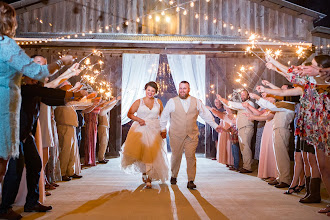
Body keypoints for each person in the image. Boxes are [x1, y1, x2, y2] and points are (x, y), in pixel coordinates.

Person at [0, 2, 74, 189]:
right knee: (2, 165)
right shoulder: (6, 45)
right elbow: (38, 72)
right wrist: (61, 61)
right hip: (3, 109)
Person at [160, 81, 221, 189]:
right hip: (176, 134)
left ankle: (191, 180)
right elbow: (164, 116)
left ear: (189, 89)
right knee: (176, 157)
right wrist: (162, 130)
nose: (182, 90)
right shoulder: (172, 102)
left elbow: (206, 115)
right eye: (180, 88)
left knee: (191, 157)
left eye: (184, 88)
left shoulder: (196, 102)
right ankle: (174, 175)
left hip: (191, 135)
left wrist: (215, 126)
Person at [121, 81, 169, 189]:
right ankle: (144, 171)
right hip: (140, 129)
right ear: (145, 90)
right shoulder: (139, 102)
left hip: (154, 129)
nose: (150, 92)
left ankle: (149, 178)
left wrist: (163, 130)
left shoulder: (158, 102)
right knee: (142, 152)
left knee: (152, 153)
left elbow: (163, 117)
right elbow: (129, 113)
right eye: (148, 90)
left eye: (152, 91)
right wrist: (139, 119)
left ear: (155, 92)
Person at [216, 90, 255, 173]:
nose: (242, 96)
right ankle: (245, 166)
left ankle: (248, 167)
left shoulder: (249, 104)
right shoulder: (242, 105)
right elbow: (231, 106)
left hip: (246, 127)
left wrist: (222, 99)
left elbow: (233, 104)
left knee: (246, 147)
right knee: (243, 148)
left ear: (248, 96)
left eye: (244, 95)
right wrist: (223, 101)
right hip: (241, 128)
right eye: (241, 95)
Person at [97, 97, 120, 163]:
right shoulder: (101, 110)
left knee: (104, 143)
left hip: (104, 127)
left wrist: (114, 100)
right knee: (103, 143)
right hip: (103, 127)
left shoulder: (102, 109)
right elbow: (109, 106)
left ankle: (102, 157)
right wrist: (115, 101)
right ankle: (101, 158)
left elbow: (107, 105)